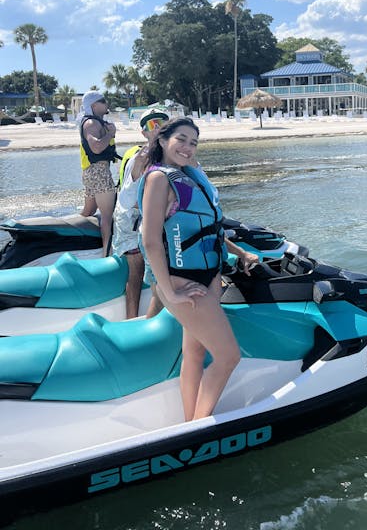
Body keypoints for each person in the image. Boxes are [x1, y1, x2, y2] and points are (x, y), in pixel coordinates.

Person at [140, 117, 254, 421]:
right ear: (163, 141)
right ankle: (200, 426)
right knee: (229, 356)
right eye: (181, 139)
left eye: (194, 142)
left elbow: (210, 228)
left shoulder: (189, 176)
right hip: (183, 281)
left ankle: (190, 420)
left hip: (210, 275)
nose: (188, 147)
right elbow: (150, 241)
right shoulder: (159, 179)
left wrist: (242, 252)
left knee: (195, 353)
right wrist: (170, 295)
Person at [111, 108, 170, 319]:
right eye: (152, 126)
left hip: (153, 218)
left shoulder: (170, 154)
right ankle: (132, 319)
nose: (158, 129)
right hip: (131, 221)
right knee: (136, 272)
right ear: (144, 133)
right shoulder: (142, 157)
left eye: (162, 124)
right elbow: (128, 201)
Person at [78, 91, 118, 256]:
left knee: (88, 211)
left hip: (90, 172)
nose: (106, 103)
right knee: (108, 215)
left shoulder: (93, 122)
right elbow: (96, 147)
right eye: (103, 101)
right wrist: (110, 133)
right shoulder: (92, 124)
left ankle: (72, 237)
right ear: (94, 106)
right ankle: (106, 253)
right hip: (99, 171)